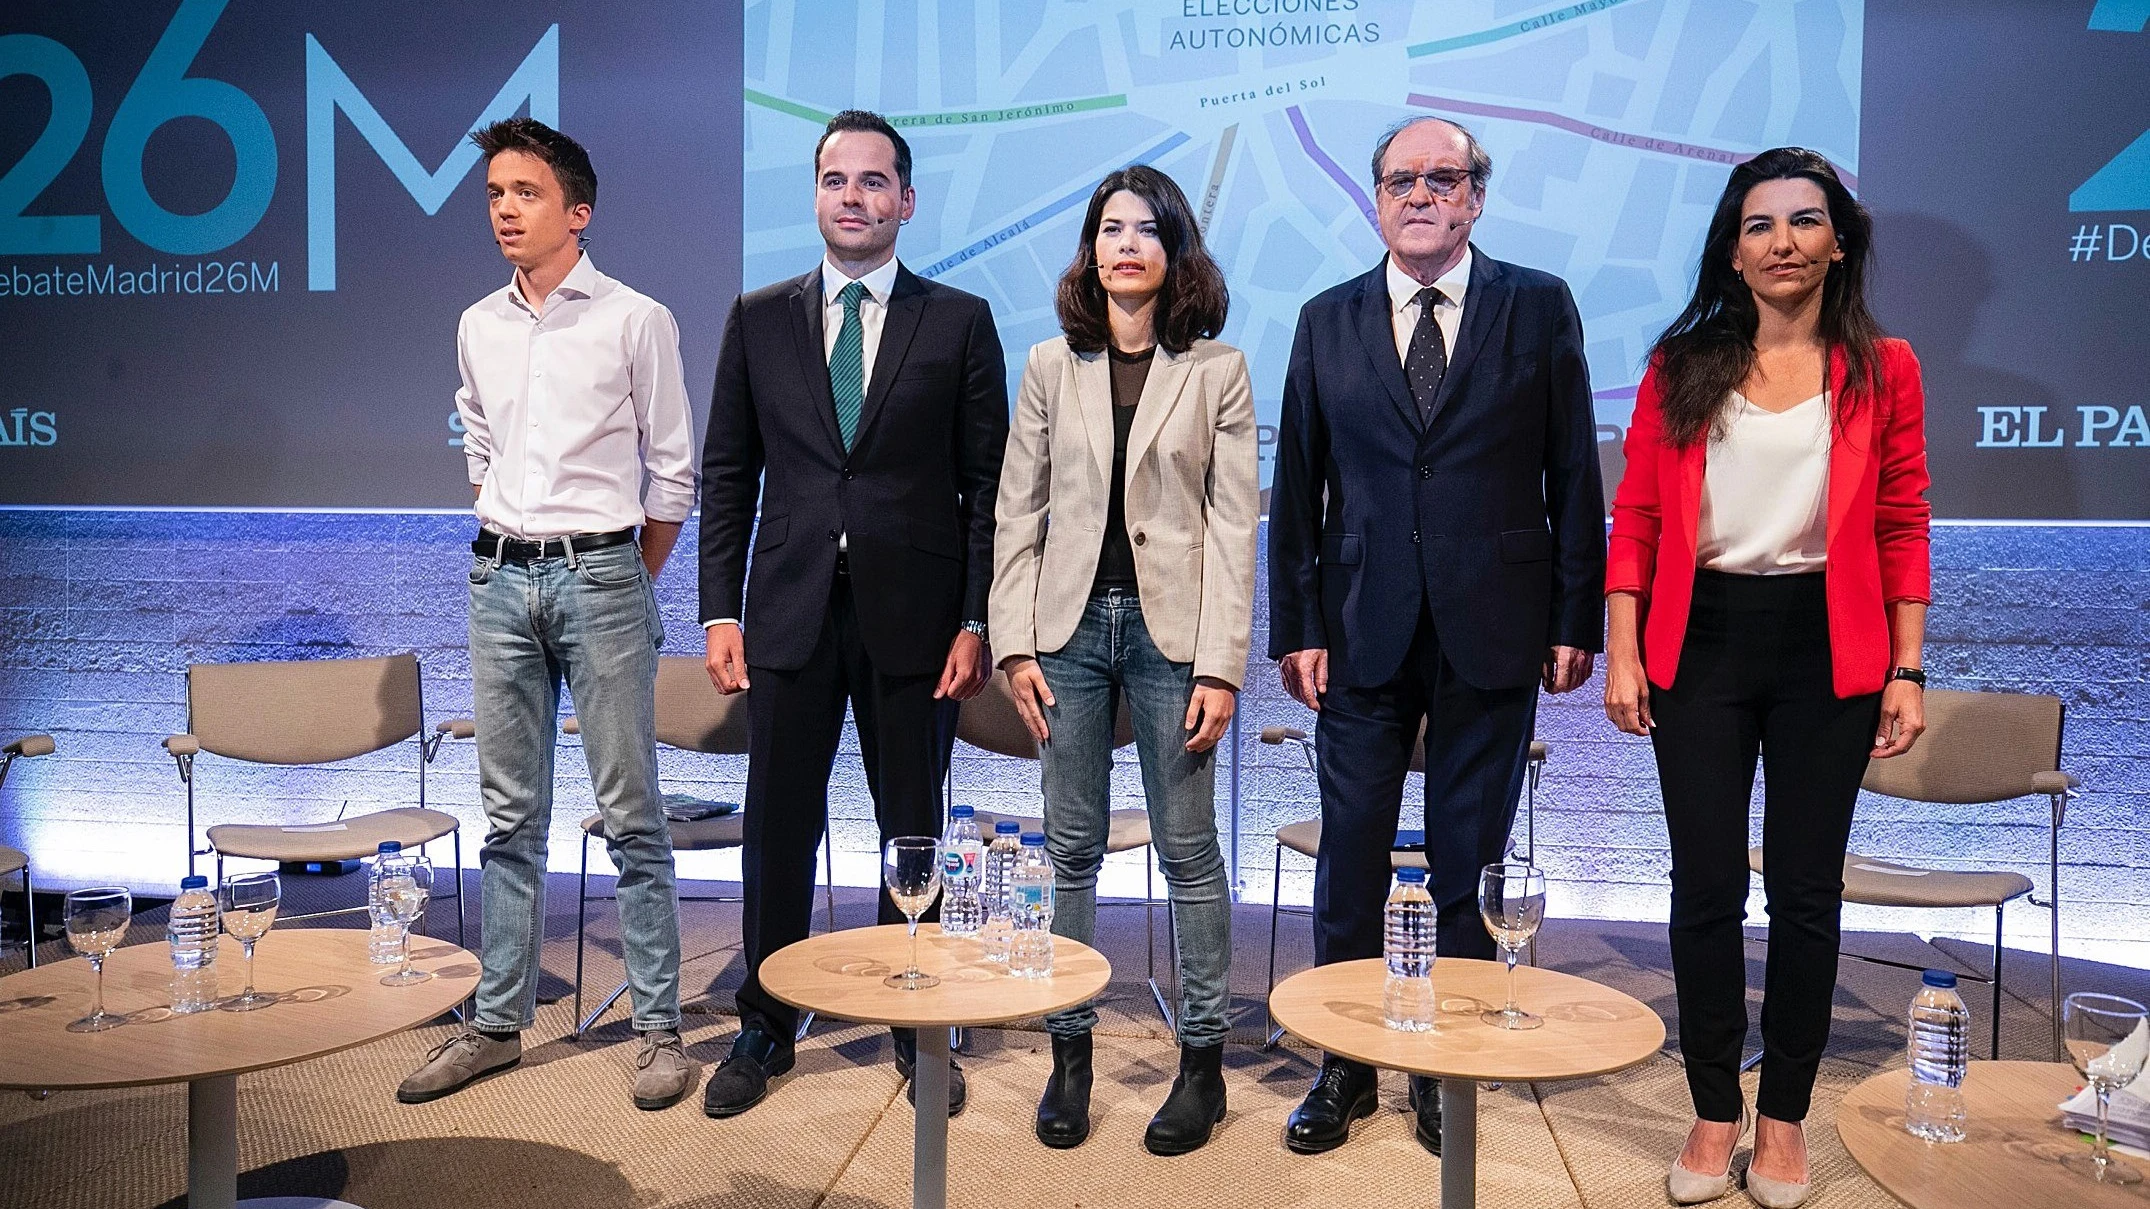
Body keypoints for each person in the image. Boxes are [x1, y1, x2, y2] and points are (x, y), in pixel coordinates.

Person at [1267, 115, 1604, 1157]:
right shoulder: (1325, 319)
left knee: (1466, 865)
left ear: (1473, 197)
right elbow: (1300, 488)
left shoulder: (1536, 306)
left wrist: (1571, 615)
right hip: (1361, 629)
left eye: (1441, 178)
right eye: (1399, 178)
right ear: (1374, 198)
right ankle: (1343, 1067)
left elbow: (1572, 474)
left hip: (1493, 625)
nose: (1419, 193)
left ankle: (1437, 1066)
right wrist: (1297, 624)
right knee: (1349, 864)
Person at [1604, 146, 1930, 1209]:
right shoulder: (1680, 363)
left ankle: (1780, 1115)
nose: (1780, 241)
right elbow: (1639, 519)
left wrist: (1906, 664)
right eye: (1758, 225)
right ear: (1731, 249)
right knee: (1702, 887)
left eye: (1802, 222)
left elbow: (1899, 520)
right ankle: (1710, 1108)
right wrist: (1621, 645)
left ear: (1838, 240)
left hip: (1824, 645)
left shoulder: (1886, 368)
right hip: (1697, 638)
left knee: (1802, 892)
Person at [696, 110, 1007, 1119]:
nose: (854, 198)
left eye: (875, 182)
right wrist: (715, 613)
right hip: (783, 613)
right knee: (777, 831)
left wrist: (974, 621)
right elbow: (727, 476)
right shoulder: (756, 318)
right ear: (817, 194)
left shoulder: (957, 321)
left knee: (909, 835)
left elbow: (986, 487)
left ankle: (912, 1026)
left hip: (917, 622)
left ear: (905, 201)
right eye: (836, 180)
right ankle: (765, 1023)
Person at [401, 118, 696, 1110]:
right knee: (509, 817)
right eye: (492, 194)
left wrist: (619, 573)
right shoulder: (475, 323)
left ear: (577, 211)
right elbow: (479, 444)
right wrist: (513, 538)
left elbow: (671, 476)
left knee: (630, 812)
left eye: (523, 193)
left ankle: (657, 1026)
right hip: (498, 578)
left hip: (603, 574)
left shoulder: (634, 318)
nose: (502, 211)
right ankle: (496, 1023)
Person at [990, 166, 1258, 1155]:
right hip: (1066, 636)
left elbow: (1234, 526)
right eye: (1109, 228)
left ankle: (1201, 1065)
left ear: (1174, 248)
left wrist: (1223, 664)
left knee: (1188, 852)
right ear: (1089, 249)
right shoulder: (1046, 364)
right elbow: (1016, 510)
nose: (1126, 244)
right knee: (1068, 849)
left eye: (1146, 229)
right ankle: (1069, 1058)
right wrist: (1013, 642)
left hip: (1172, 638)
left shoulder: (1216, 370)